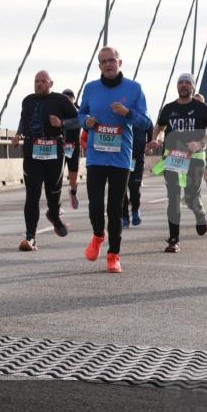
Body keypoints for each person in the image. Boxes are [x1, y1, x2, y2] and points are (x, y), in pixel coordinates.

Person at [76, 46, 151, 273]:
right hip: (96, 156)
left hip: (120, 158)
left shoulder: (134, 89)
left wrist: (127, 113)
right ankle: (99, 236)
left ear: (120, 62)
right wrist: (85, 122)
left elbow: (146, 123)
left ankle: (113, 255)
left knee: (115, 209)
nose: (108, 64)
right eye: (103, 61)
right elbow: (81, 114)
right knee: (96, 207)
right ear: (99, 65)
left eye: (112, 60)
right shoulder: (91, 89)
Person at [147, 73, 207, 252]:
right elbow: (159, 127)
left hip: (195, 158)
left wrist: (201, 143)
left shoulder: (201, 108)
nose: (183, 85)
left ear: (192, 87)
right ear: (177, 87)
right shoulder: (169, 108)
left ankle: (200, 214)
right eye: (180, 83)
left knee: (191, 195)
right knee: (173, 197)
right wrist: (156, 139)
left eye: (187, 82)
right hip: (174, 157)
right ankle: (173, 240)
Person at [11, 71, 76, 250]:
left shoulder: (61, 100)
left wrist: (61, 124)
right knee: (32, 194)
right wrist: (18, 135)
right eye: (36, 81)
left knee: (53, 192)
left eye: (43, 81)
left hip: (54, 151)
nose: (38, 84)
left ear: (51, 83)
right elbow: (24, 120)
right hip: (32, 151)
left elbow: (78, 121)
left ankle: (54, 215)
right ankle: (30, 237)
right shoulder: (28, 100)